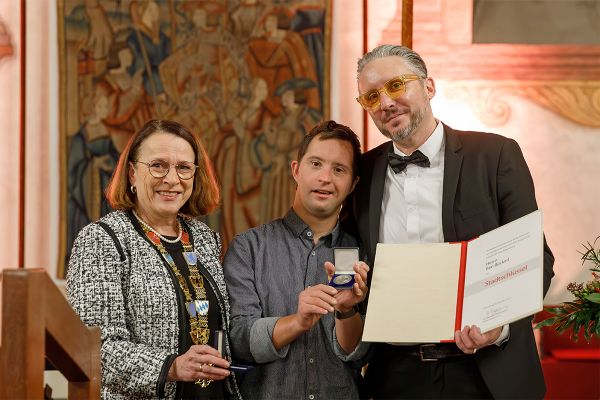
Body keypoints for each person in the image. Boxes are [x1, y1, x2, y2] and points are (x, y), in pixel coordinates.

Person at [343, 44, 555, 399]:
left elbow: (536, 262)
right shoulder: (361, 173)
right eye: (371, 96)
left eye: (397, 85)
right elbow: (347, 251)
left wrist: (499, 326)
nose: (385, 103)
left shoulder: (496, 155)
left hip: (484, 371)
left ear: (428, 87)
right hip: (393, 375)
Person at [66, 119, 242, 399]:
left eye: (184, 167)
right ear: (133, 173)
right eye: (158, 165)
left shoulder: (205, 237)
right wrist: (170, 366)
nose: (172, 179)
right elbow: (93, 348)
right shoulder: (101, 239)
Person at [223, 120, 369, 399]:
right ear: (296, 170)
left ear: (352, 185)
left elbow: (357, 356)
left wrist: (347, 311)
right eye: (316, 164)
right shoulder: (249, 248)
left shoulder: (360, 254)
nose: (325, 177)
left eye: (338, 169)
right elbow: (239, 339)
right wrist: (298, 321)